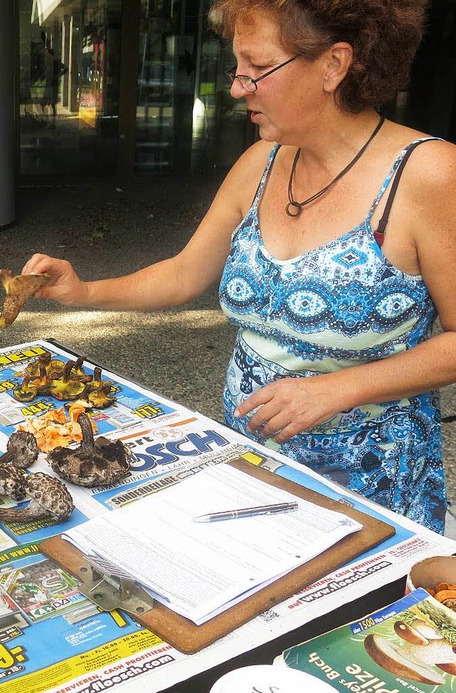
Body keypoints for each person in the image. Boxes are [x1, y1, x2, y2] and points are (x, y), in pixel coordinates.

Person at [22, 0, 456, 534]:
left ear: (334, 65)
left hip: (372, 480)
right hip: (252, 456)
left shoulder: (430, 174)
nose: (236, 87)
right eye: (236, 68)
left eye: (257, 67)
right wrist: (84, 292)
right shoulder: (261, 162)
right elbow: (185, 273)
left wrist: (340, 388)